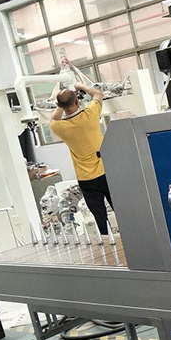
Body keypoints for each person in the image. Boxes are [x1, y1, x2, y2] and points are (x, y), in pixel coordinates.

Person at [50, 83, 112, 236]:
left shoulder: (59, 127)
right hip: (105, 172)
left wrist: (60, 103)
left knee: (100, 217)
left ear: (60, 105)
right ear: (77, 101)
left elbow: (54, 118)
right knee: (123, 210)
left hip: (86, 179)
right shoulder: (90, 115)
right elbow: (98, 94)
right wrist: (80, 86)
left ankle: (109, 244)